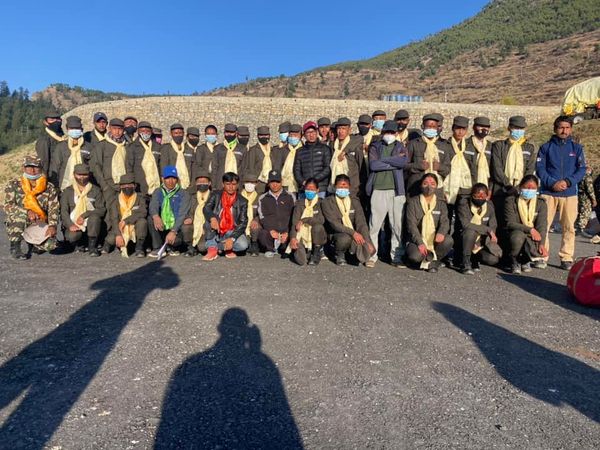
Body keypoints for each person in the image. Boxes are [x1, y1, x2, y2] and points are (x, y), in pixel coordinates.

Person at [536, 115, 586, 270]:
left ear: (571, 129)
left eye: (567, 128)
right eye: (561, 127)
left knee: (569, 226)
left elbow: (581, 170)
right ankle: (541, 255)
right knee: (543, 225)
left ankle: (566, 257)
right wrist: (553, 183)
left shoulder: (577, 148)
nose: (564, 131)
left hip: (569, 193)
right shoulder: (545, 148)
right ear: (555, 129)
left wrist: (568, 182)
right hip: (548, 192)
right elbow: (540, 169)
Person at [366, 119, 409, 268]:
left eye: (392, 132)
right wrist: (394, 162)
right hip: (378, 189)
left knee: (397, 225)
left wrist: (384, 161)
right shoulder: (375, 146)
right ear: (382, 132)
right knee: (374, 225)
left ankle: (396, 256)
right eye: (386, 132)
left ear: (396, 133)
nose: (389, 134)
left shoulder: (401, 146)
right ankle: (371, 255)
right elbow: (373, 165)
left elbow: (403, 163)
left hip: (396, 191)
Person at [490, 115, 537, 242]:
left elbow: (529, 170)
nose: (518, 131)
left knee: (515, 224)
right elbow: (497, 169)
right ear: (509, 128)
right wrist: (509, 186)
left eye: (521, 128)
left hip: (520, 192)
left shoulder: (529, 148)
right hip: (501, 190)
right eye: (516, 128)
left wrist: (518, 188)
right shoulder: (499, 146)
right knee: (499, 222)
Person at [4, 156, 59, 259]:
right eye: (29, 167)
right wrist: (27, 211)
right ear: (23, 168)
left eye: (36, 167)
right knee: (18, 218)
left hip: (40, 222)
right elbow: (7, 206)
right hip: (21, 219)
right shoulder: (14, 185)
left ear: (41, 168)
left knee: (51, 245)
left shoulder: (49, 187)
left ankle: (35, 245)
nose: (33, 171)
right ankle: (15, 248)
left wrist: (52, 226)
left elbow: (53, 208)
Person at [322, 174, 375, 266]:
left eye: (345, 186)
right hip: (336, 233)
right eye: (340, 186)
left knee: (371, 249)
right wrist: (353, 233)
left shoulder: (354, 201)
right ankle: (339, 254)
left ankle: (352, 255)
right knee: (345, 238)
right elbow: (334, 224)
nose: (343, 189)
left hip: (353, 232)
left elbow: (361, 222)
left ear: (349, 187)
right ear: (335, 187)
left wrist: (366, 240)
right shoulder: (327, 202)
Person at [405, 173, 453, 273]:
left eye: (432, 184)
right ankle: (424, 261)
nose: (429, 186)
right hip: (417, 239)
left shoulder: (441, 203)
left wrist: (441, 233)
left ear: (436, 186)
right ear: (421, 186)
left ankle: (434, 260)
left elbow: (445, 222)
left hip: (434, 239)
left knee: (448, 240)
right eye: (425, 183)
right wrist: (420, 243)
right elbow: (411, 225)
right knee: (415, 256)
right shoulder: (413, 202)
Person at [504, 175, 548, 274]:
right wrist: (530, 230)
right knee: (518, 236)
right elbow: (510, 223)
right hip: (516, 233)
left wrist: (542, 244)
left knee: (536, 238)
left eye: (533, 188)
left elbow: (542, 226)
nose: (529, 190)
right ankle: (515, 261)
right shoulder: (511, 201)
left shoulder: (541, 203)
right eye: (527, 187)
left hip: (532, 236)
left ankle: (525, 260)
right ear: (520, 187)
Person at [60, 164, 105, 256]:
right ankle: (78, 244)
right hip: (74, 223)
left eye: (85, 175)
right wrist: (70, 225)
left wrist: (85, 215)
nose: (82, 177)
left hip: (90, 224)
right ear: (74, 174)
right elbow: (64, 211)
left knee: (95, 218)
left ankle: (92, 247)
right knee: (72, 236)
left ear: (89, 175)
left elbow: (101, 210)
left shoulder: (95, 190)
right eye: (79, 174)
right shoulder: (68, 191)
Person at [202, 172, 249, 261]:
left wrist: (232, 239)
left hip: (231, 231)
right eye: (228, 184)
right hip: (216, 229)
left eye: (233, 184)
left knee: (243, 245)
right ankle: (212, 249)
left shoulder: (243, 201)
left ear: (237, 185)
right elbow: (206, 208)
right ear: (223, 184)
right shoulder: (215, 195)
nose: (231, 187)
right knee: (209, 220)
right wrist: (212, 218)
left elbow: (243, 222)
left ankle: (220, 247)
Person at [457, 183, 502, 274]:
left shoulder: (489, 206)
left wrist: (486, 240)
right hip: (465, 239)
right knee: (470, 232)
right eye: (477, 196)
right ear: (472, 195)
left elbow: (493, 225)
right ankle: (465, 262)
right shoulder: (464, 204)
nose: (480, 199)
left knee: (493, 259)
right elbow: (465, 224)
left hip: (481, 242)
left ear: (487, 196)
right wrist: (487, 230)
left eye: (482, 196)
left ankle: (475, 258)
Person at [148, 166, 191, 257]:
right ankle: (158, 247)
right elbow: (153, 205)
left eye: (173, 178)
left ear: (177, 180)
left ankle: (172, 248)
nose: (170, 181)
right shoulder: (158, 192)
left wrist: (174, 231)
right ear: (162, 179)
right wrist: (156, 216)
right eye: (167, 178)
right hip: (162, 225)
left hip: (176, 228)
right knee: (151, 219)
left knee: (176, 240)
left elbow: (182, 214)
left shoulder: (184, 194)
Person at [405, 114, 452, 197]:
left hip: (436, 188)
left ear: (437, 128)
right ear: (422, 127)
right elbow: (404, 165)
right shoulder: (413, 144)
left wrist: (439, 167)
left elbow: (448, 168)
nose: (431, 129)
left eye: (434, 127)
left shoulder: (444, 146)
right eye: (428, 126)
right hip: (416, 187)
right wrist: (418, 166)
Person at [90, 118, 131, 208]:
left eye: (120, 129)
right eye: (114, 129)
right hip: (108, 185)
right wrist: (104, 186)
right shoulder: (102, 145)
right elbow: (96, 166)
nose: (117, 132)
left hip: (125, 185)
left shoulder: (127, 146)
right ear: (109, 128)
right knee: (110, 211)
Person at [105, 174, 147, 258]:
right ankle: (115, 245)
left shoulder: (140, 198)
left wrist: (126, 220)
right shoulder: (115, 199)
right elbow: (114, 219)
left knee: (142, 222)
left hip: (134, 225)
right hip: (119, 226)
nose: (127, 187)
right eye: (124, 185)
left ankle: (139, 248)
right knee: (110, 240)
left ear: (134, 186)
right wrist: (118, 235)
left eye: (130, 184)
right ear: (120, 186)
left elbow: (143, 212)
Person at [256, 170, 295, 257]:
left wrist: (287, 232)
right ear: (268, 183)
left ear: (281, 182)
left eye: (277, 182)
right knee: (262, 234)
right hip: (271, 232)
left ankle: (283, 248)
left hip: (286, 231)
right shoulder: (262, 198)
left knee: (292, 236)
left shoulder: (290, 196)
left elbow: (294, 216)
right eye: (272, 182)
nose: (275, 185)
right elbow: (262, 217)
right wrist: (271, 230)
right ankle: (270, 249)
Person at [289, 178, 327, 266]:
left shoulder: (321, 203)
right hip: (301, 234)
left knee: (318, 227)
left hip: (318, 235)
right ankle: (307, 251)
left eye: (312, 189)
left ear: (317, 190)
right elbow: (294, 222)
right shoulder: (299, 203)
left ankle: (316, 253)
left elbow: (321, 220)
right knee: (301, 261)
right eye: (308, 189)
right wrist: (293, 238)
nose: (310, 191)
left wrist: (304, 220)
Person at [50, 116, 93, 191]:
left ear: (81, 129)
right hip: (64, 186)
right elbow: (55, 167)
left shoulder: (88, 146)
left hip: (84, 185)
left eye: (77, 128)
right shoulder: (61, 147)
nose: (74, 130)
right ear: (67, 129)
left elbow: (93, 167)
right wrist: (55, 185)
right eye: (72, 128)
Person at [293, 121, 332, 198]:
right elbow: (296, 170)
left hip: (321, 188)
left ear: (317, 132)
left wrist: (313, 181)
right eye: (308, 132)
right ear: (304, 135)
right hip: (304, 188)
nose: (311, 135)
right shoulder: (299, 151)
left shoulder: (325, 149)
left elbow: (327, 168)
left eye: (313, 132)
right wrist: (303, 182)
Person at [330, 117, 364, 196]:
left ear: (349, 130)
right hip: (335, 185)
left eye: (343, 128)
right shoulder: (333, 145)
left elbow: (361, 166)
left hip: (352, 186)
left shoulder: (355, 144)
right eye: (339, 128)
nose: (341, 131)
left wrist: (345, 151)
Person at [183, 173, 212, 257]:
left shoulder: (214, 196)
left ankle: (206, 244)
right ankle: (191, 247)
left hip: (207, 225)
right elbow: (187, 210)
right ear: (196, 183)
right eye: (199, 182)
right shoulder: (191, 197)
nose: (202, 183)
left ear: (209, 183)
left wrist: (207, 223)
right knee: (185, 227)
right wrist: (189, 218)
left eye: (204, 181)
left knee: (202, 248)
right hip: (195, 224)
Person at [130, 121, 161, 200]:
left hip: (156, 188)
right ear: (138, 131)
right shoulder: (132, 147)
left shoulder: (157, 147)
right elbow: (129, 167)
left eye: (147, 131)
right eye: (143, 131)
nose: (145, 133)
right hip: (140, 188)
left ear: (151, 132)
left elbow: (160, 165)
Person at [241, 126, 275, 194]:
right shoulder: (253, 150)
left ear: (269, 136)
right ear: (258, 136)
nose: (264, 137)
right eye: (261, 135)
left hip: (271, 182)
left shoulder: (273, 150)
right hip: (259, 183)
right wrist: (253, 182)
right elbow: (250, 167)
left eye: (266, 135)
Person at [160, 123, 193, 190]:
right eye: (176, 133)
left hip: (188, 186)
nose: (178, 135)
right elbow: (163, 166)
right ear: (171, 134)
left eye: (180, 133)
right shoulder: (166, 148)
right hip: (172, 185)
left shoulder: (188, 149)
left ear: (183, 134)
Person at [212, 123, 245, 190]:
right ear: (224, 133)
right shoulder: (217, 148)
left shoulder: (242, 149)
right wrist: (213, 186)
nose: (229, 134)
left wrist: (242, 185)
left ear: (236, 133)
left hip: (237, 184)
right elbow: (214, 168)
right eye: (227, 132)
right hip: (220, 183)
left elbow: (244, 168)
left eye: (232, 132)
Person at [274, 124, 303, 193]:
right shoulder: (283, 150)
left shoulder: (304, 149)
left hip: (300, 185)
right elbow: (277, 167)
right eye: (291, 135)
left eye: (295, 135)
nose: (293, 137)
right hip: (285, 184)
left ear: (301, 136)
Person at [35, 110, 65, 176]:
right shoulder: (44, 140)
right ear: (45, 122)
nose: (56, 121)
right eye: (52, 120)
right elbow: (44, 163)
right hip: (53, 176)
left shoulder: (63, 136)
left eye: (57, 119)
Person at [241, 173, 261, 256]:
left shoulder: (260, 197)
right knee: (242, 247)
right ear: (243, 183)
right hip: (241, 224)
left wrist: (256, 219)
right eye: (247, 182)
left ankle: (254, 243)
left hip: (253, 226)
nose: (249, 184)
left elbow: (262, 213)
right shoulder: (238, 196)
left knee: (255, 225)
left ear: (256, 184)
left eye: (252, 182)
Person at [576, 166, 597, 235]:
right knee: (585, 212)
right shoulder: (587, 177)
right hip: (586, 198)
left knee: (580, 211)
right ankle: (580, 228)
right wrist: (593, 199)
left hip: (580, 196)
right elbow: (590, 189)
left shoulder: (580, 176)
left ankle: (578, 227)